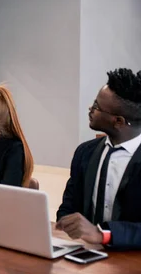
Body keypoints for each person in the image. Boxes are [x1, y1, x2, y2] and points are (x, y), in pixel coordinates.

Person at [57, 68, 141, 250]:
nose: (90, 109)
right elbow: (68, 207)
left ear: (118, 121)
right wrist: (65, 222)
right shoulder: (85, 152)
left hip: (133, 264)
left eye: (96, 107)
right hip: (87, 257)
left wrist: (102, 234)